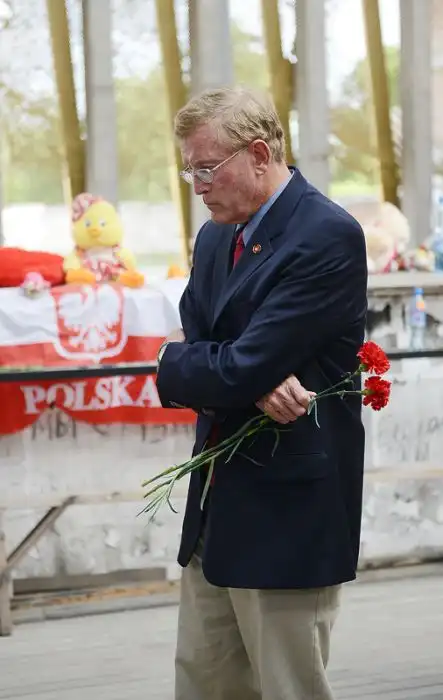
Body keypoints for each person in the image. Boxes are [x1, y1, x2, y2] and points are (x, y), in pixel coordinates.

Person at [156, 86, 368, 700]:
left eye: (206, 168)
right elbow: (218, 348)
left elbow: (225, 363)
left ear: (257, 154)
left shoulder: (326, 234)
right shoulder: (215, 236)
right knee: (203, 683)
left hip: (286, 513)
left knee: (287, 686)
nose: (197, 185)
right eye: (190, 170)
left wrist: (177, 361)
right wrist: (245, 375)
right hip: (216, 508)